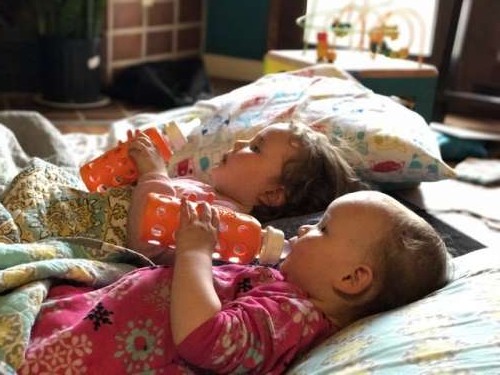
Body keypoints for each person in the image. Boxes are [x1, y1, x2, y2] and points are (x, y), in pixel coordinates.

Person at [19, 190, 450, 374]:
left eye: (323, 229)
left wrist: (194, 252)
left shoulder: (294, 317)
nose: (303, 230)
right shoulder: (291, 289)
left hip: (99, 355)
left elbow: (205, 337)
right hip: (98, 315)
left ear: (352, 279)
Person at [126, 120, 366, 263]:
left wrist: (152, 174)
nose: (240, 143)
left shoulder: (223, 224)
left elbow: (146, 246)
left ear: (272, 194)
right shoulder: (201, 188)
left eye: (255, 147)